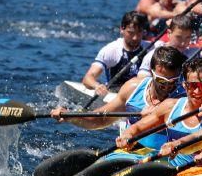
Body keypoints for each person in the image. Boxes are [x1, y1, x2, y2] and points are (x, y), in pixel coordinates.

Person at [51, 46, 186, 150]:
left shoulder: (183, 97)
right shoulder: (133, 88)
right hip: (129, 151)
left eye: (173, 81)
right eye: (162, 81)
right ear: (151, 71)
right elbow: (100, 120)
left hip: (163, 156)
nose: (168, 86)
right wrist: (71, 116)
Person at [116, 58, 202, 166]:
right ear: (185, 85)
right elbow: (137, 127)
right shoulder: (170, 106)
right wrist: (128, 135)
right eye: (193, 85)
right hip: (172, 171)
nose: (198, 91)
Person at [81, 11, 151, 96]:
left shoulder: (151, 48)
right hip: (115, 94)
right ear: (122, 29)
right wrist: (97, 86)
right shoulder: (111, 50)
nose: (135, 38)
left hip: (139, 94)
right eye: (131, 32)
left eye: (139, 32)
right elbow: (87, 78)